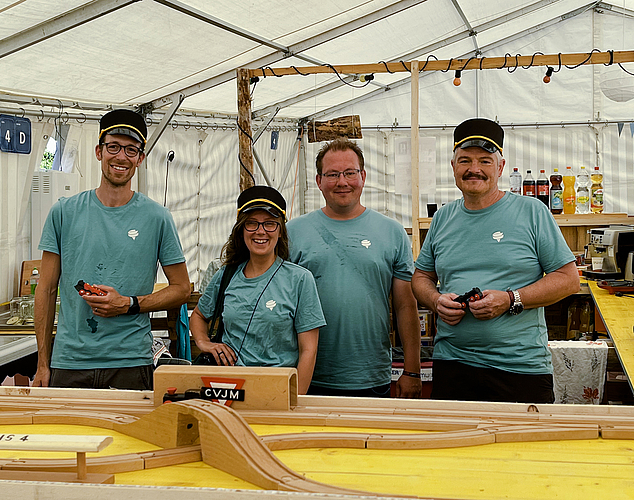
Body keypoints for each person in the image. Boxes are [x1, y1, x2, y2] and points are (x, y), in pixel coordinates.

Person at [411, 118, 580, 403]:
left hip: (520, 368)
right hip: (453, 365)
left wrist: (510, 299)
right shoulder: (442, 218)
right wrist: (435, 300)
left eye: (485, 161)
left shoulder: (532, 212)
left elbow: (568, 279)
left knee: (524, 447)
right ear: (453, 167)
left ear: (500, 168)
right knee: (454, 446)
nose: (474, 169)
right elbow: (421, 277)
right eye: (465, 160)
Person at [33, 109, 191, 390]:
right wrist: (43, 364)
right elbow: (45, 290)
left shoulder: (156, 217)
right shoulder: (64, 213)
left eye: (131, 150)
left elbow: (182, 288)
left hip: (130, 362)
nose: (121, 157)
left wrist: (129, 304)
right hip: (70, 363)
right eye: (113, 147)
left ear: (140, 159)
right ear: (99, 151)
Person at [287, 138, 422, 398]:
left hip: (370, 375)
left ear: (363, 176)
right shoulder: (294, 232)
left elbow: (406, 306)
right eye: (332, 174)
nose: (342, 182)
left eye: (350, 173)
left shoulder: (391, 231)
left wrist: (412, 370)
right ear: (318, 181)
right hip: (307, 375)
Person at [189, 186, 325, 395]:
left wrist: (296, 399)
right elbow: (199, 314)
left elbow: (309, 350)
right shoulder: (226, 275)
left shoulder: (299, 279)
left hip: (276, 390)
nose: (260, 231)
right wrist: (204, 343)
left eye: (270, 224)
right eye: (252, 223)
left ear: (280, 231)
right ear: (241, 229)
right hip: (228, 390)